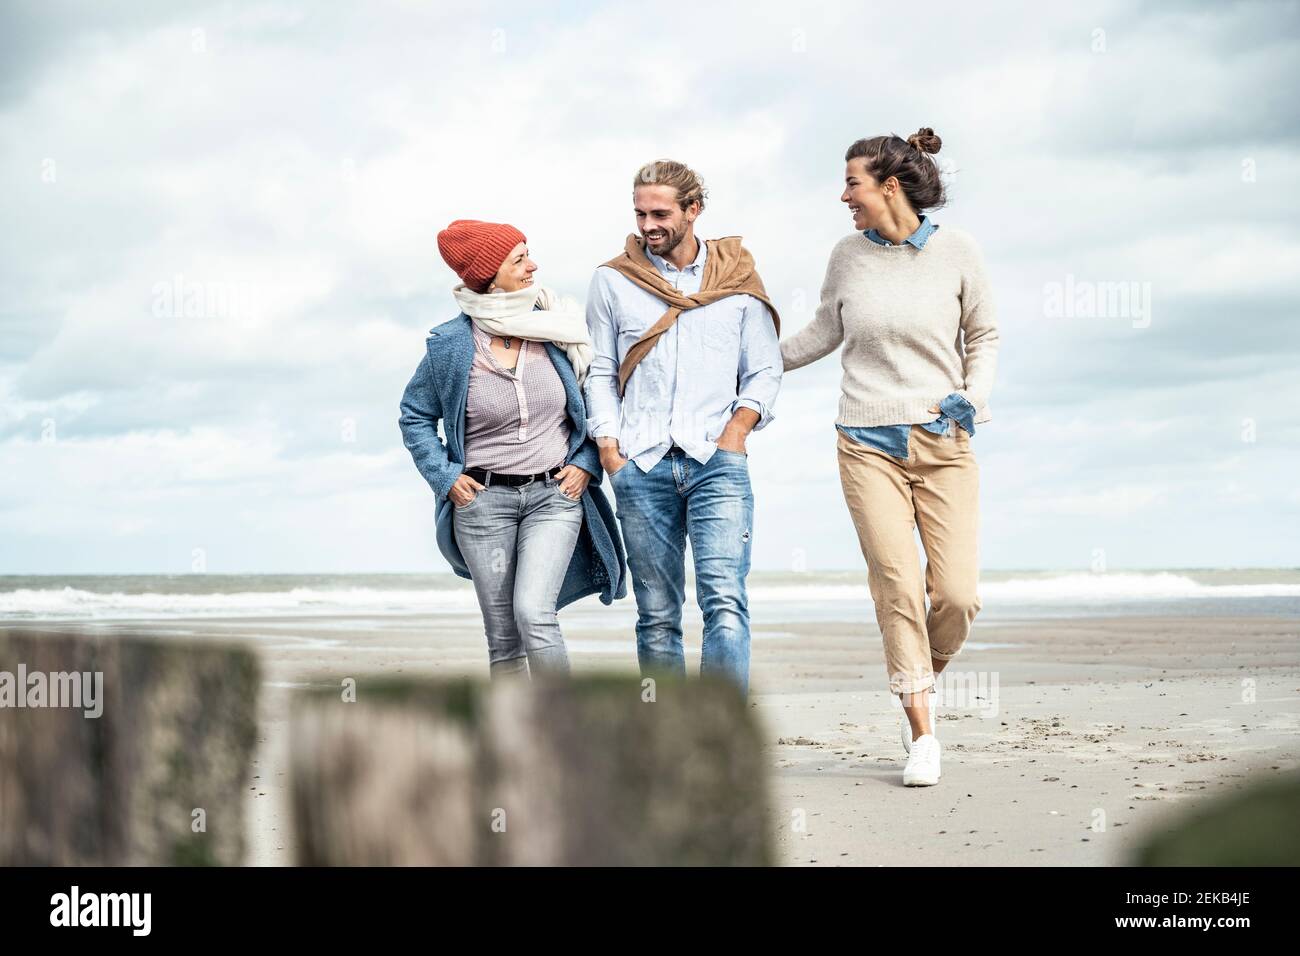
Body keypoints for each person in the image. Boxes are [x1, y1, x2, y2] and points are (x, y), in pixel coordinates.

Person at [781, 129, 999, 786]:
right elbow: (824, 329)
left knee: (957, 596)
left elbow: (984, 335)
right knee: (898, 588)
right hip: (865, 442)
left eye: (852, 183)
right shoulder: (847, 255)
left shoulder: (960, 252)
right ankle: (923, 731)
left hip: (943, 442)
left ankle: (915, 678)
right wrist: (752, 361)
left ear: (890, 186)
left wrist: (972, 394)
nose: (844, 195)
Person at [583, 160, 782, 696]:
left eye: (661, 213)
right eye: (640, 213)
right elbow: (599, 368)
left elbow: (764, 367)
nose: (648, 225)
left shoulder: (736, 278)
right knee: (656, 611)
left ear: (694, 210)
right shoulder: (612, 280)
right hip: (640, 461)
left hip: (716, 461)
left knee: (724, 600)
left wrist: (736, 433)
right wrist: (609, 447)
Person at [399, 219, 626, 679]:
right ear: (488, 273)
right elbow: (415, 415)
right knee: (503, 637)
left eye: (528, 254)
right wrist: (444, 478)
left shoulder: (555, 326)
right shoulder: (450, 347)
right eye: (519, 258)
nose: (533, 266)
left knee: (534, 612)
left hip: (554, 498)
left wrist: (586, 464)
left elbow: (591, 399)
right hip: (482, 505)